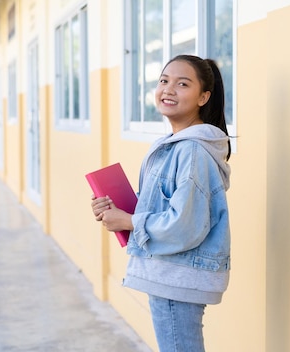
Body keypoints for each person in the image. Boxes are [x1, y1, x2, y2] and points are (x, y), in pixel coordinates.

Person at [91, 54, 231, 352]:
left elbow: (185, 224)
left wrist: (129, 221)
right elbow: (164, 208)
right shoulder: (174, 145)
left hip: (176, 276)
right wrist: (116, 212)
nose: (168, 89)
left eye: (182, 84)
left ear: (204, 96)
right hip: (170, 272)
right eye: (164, 81)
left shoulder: (191, 151)